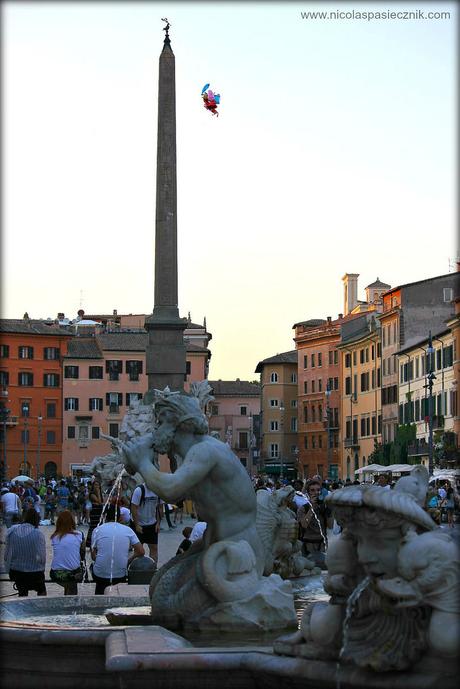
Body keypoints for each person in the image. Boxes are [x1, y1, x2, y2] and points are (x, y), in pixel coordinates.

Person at [91, 504, 143, 595]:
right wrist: (127, 561)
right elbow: (141, 551)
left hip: (100, 574)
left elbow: (93, 556)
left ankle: (99, 598)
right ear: (119, 517)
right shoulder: (128, 530)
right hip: (119, 574)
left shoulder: (97, 530)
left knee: (99, 584)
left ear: (104, 516)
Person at [5, 508, 47, 597]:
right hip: (35, 572)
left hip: (16, 572)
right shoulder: (38, 534)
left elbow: (6, 555)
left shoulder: (12, 531)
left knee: (22, 592)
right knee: (42, 590)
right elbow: (42, 557)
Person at [49, 510, 86, 595]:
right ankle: (72, 603)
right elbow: (82, 555)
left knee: (69, 581)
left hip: (56, 573)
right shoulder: (79, 534)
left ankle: (67, 596)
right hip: (73, 573)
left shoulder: (54, 536)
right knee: (73, 579)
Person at [297, 479, 332, 555]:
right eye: (312, 490)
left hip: (322, 544)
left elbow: (330, 526)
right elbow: (304, 525)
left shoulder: (323, 508)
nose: (316, 493)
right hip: (308, 544)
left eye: (318, 490)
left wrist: (328, 511)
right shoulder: (303, 508)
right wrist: (311, 507)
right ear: (308, 493)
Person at [130, 482, 162, 562]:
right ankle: (134, 567)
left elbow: (160, 508)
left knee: (154, 548)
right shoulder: (139, 490)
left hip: (152, 524)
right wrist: (137, 525)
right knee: (138, 551)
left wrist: (158, 523)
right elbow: (134, 508)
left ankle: (153, 569)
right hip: (139, 524)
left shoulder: (158, 491)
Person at [85, 478, 104, 548]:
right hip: (94, 513)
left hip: (99, 513)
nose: (97, 486)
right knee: (93, 528)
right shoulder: (92, 494)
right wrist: (98, 492)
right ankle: (89, 543)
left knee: (99, 528)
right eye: (95, 485)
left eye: (98, 485)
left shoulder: (100, 494)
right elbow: (99, 502)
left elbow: (102, 502)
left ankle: (98, 542)